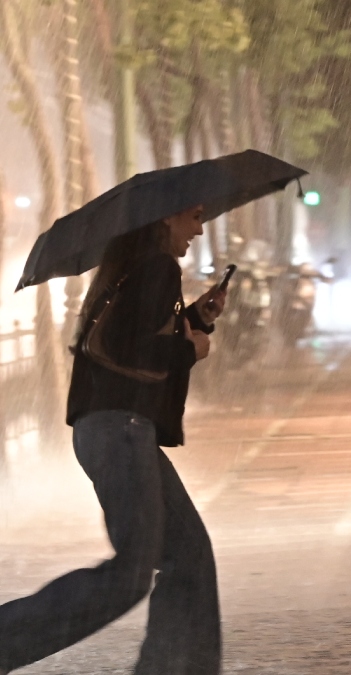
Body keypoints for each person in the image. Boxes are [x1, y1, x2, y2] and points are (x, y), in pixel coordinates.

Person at [0, 205, 227, 674]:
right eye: (193, 217)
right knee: (130, 576)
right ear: (164, 217)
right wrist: (192, 348)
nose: (198, 229)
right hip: (120, 428)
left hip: (113, 427)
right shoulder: (158, 266)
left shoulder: (132, 269)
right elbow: (134, 349)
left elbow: (133, 338)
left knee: (189, 554)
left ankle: (176, 667)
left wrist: (196, 318)